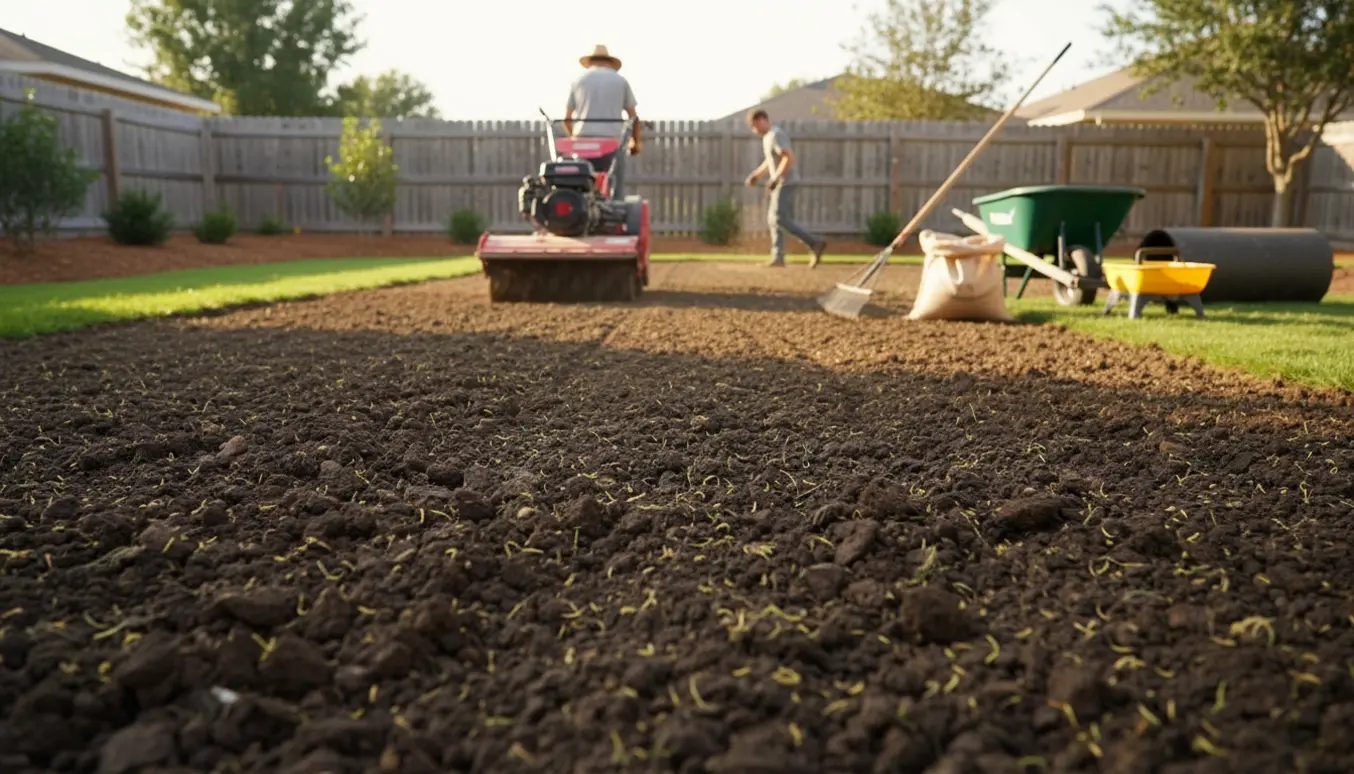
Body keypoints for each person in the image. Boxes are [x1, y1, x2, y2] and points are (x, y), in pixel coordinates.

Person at [743, 109, 828, 268]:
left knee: (779, 218)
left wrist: (776, 178)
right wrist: (757, 175)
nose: (754, 130)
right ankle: (778, 257)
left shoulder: (776, 135)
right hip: (781, 182)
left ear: (762, 120)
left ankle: (814, 242)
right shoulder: (768, 138)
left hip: (787, 182)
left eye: (754, 126)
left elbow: (788, 157)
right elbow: (771, 161)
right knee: (773, 219)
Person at [563, 45, 641, 199]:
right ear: (609, 62)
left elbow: (567, 119)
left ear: (591, 61)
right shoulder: (620, 81)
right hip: (611, 142)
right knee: (615, 184)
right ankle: (616, 206)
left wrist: (574, 137)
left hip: (581, 143)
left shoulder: (578, 81)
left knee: (580, 182)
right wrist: (635, 143)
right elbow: (633, 118)